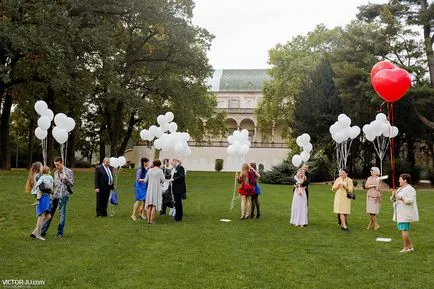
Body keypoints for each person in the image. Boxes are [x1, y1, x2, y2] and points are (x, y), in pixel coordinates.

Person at [41, 157, 74, 237]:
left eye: (58, 164)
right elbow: (55, 184)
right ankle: (43, 231)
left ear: (61, 163)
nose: (56, 166)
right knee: (49, 213)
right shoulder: (55, 172)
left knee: (62, 214)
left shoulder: (68, 171)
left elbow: (72, 184)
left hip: (63, 195)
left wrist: (66, 180)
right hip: (55, 195)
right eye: (55, 165)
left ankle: (60, 232)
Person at [390, 173, 419, 253]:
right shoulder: (399, 189)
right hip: (399, 212)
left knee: (404, 229)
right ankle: (410, 246)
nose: (399, 180)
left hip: (405, 213)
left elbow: (410, 201)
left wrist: (401, 197)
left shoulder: (411, 189)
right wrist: (393, 195)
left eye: (400, 179)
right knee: (403, 229)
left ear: (405, 180)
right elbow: (393, 199)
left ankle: (406, 248)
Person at [30, 166, 53, 240]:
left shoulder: (49, 177)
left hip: (47, 197)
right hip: (43, 198)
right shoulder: (40, 177)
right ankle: (38, 235)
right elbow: (41, 188)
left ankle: (34, 232)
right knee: (41, 216)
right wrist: (50, 190)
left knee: (48, 216)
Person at [144, 160, 165, 224]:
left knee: (149, 205)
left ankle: (148, 220)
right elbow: (163, 180)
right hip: (157, 189)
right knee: (154, 205)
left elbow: (145, 180)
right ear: (159, 164)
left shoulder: (149, 170)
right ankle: (151, 220)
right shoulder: (160, 171)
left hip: (150, 189)